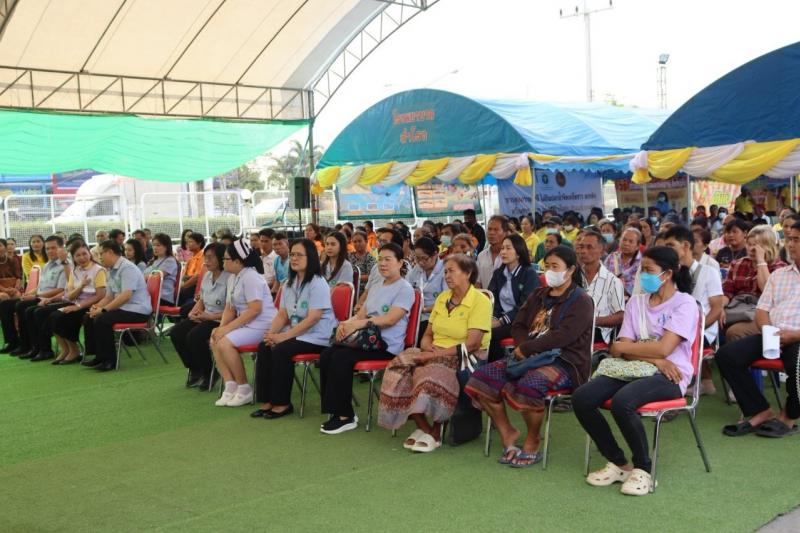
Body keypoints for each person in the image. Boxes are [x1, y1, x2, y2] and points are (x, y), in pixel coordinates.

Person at [572, 246, 699, 496]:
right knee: (582, 398)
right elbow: (619, 348)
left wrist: (648, 355)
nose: (643, 276)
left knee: (623, 402)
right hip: (636, 369)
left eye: (649, 270)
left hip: (671, 375)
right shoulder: (636, 302)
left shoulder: (685, 303)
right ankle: (619, 463)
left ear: (667, 274)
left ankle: (643, 469)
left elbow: (664, 348)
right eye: (642, 270)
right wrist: (656, 360)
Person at [466, 246, 593, 467]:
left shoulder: (581, 300)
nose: (550, 272)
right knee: (481, 378)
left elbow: (564, 336)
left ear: (571, 270)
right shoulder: (538, 295)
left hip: (563, 360)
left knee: (529, 384)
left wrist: (528, 348)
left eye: (555, 267)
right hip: (527, 355)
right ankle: (507, 432)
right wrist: (524, 347)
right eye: (547, 266)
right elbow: (519, 324)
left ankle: (533, 439)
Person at [379, 253, 491, 450]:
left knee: (433, 373)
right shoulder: (442, 298)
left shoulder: (480, 301)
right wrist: (426, 345)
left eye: (451, 271)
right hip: (435, 350)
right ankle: (425, 428)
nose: (447, 276)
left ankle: (436, 431)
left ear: (468, 273)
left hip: (465, 355)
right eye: (445, 272)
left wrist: (433, 355)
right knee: (397, 368)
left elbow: (472, 344)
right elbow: (428, 334)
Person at [319, 243, 415, 434]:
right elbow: (361, 314)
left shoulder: (404, 289)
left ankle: (345, 416)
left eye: (388, 259)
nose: (383, 264)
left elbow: (390, 319)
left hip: (385, 345)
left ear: (400, 263)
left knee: (341, 358)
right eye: (380, 259)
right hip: (366, 341)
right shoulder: (377, 286)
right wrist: (345, 324)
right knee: (327, 355)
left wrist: (358, 324)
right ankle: (337, 411)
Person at [716, 220, 800, 438]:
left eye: (797, 240)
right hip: (773, 334)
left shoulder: (775, 268)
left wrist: (794, 335)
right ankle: (760, 410)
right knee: (726, 356)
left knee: (797, 365)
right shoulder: (780, 275)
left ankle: (788, 417)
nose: (791, 244)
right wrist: (770, 333)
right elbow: (762, 310)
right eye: (789, 239)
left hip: (797, 337)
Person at [252, 239, 338, 419]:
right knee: (264, 346)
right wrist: (271, 334)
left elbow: (314, 318)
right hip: (298, 334)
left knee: (281, 350)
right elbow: (282, 314)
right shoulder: (288, 283)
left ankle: (282, 403)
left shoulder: (318, 282)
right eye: (292, 254)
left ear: (311, 257)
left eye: (299, 255)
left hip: (318, 336)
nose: (294, 258)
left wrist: (284, 337)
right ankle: (267, 401)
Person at [211, 238, 277, 407]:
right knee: (214, 338)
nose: (223, 261)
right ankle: (230, 385)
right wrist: (221, 329)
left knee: (225, 343)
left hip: (263, 325)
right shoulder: (233, 277)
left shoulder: (251, 277)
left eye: (226, 258)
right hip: (248, 324)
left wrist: (227, 329)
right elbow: (230, 308)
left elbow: (255, 309)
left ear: (237, 261)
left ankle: (244, 388)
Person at [663, 225, 724, 395]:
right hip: (674, 328)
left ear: (685, 246)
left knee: (670, 344)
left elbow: (717, 309)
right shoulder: (669, 274)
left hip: (702, 331)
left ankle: (673, 388)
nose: (667, 250)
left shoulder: (709, 272)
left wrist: (697, 329)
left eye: (671, 245)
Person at [80, 241, 152, 371]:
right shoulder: (110, 270)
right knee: (89, 317)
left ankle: (109, 361)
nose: (99, 257)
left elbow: (126, 295)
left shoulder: (128, 268)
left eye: (101, 254)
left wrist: (104, 310)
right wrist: (96, 307)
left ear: (110, 252)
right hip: (124, 308)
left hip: (138, 310)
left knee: (102, 319)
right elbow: (108, 297)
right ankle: (98, 356)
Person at [169, 242, 230, 389]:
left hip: (221, 320)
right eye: (205, 257)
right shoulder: (207, 276)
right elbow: (202, 300)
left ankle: (209, 372)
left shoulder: (230, 278)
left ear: (221, 258)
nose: (206, 261)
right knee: (176, 332)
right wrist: (193, 312)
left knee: (194, 336)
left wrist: (210, 317)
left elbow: (233, 310)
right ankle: (195, 369)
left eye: (210, 258)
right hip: (205, 316)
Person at [2, 235, 69, 357]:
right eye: (47, 248)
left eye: (53, 248)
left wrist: (36, 296)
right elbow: (40, 286)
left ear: (62, 248)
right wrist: (30, 293)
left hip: (52, 298)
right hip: (40, 295)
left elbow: (61, 289)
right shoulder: (48, 265)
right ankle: (14, 342)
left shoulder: (65, 266)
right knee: (6, 305)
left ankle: (36, 347)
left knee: (23, 306)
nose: (50, 251)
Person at [720, 225, 785, 343]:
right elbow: (727, 291)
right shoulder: (739, 263)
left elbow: (767, 291)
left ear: (768, 246)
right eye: (749, 244)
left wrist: (761, 261)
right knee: (711, 319)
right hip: (737, 309)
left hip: (763, 314)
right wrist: (720, 308)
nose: (751, 249)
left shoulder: (780, 268)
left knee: (734, 332)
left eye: (756, 245)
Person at [50, 241, 107, 364]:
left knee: (64, 317)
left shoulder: (98, 270)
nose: (82, 258)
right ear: (73, 258)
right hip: (76, 303)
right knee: (53, 315)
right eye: (78, 255)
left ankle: (74, 351)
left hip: (92, 304)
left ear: (89, 254)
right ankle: (66, 349)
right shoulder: (74, 271)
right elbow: (70, 296)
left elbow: (100, 295)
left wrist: (79, 306)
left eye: (84, 254)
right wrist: (81, 287)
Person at [487, 234, 539, 361]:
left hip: (522, 320)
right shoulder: (498, 273)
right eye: (502, 248)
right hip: (501, 318)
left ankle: (495, 366)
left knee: (491, 334)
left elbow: (526, 305)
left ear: (518, 253)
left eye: (508, 248)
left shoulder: (529, 274)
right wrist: (494, 318)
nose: (503, 252)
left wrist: (501, 321)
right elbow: (492, 299)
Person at [575, 230, 624, 344]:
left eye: (589, 247)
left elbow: (620, 316)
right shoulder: (573, 276)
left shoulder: (612, 281)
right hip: (572, 327)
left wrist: (591, 321)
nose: (583, 251)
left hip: (596, 331)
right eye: (581, 247)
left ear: (602, 251)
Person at [405, 237, 446, 343]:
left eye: (424, 258)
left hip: (435, 315)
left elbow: (447, 301)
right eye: (417, 259)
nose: (421, 262)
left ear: (435, 254)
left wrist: (423, 309)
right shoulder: (417, 269)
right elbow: (407, 289)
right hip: (416, 314)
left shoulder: (445, 270)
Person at [604, 227, 643, 297]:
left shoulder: (642, 263)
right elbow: (602, 278)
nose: (626, 243)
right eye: (624, 240)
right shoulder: (611, 257)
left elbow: (634, 288)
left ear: (637, 246)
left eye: (631, 241)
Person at [143, 233, 179, 306]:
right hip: (149, 295)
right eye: (153, 245)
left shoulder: (170, 261)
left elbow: (155, 277)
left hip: (162, 297)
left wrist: (139, 278)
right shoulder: (153, 261)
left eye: (158, 245)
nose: (155, 248)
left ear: (166, 247)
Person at [476, 215, 510, 289]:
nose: (491, 233)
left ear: (505, 233)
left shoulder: (511, 256)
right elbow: (478, 282)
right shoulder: (481, 256)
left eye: (496, 230)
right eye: (489, 229)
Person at [178, 232, 206, 305]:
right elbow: (185, 276)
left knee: (177, 294)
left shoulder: (203, 256)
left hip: (195, 287)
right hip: (188, 284)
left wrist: (181, 287)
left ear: (199, 244)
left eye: (190, 242)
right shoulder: (191, 258)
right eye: (187, 242)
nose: (188, 244)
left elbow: (197, 277)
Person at [348, 230, 375, 297]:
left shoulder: (370, 258)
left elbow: (371, 276)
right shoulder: (348, 256)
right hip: (349, 288)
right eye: (355, 242)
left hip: (364, 291)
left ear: (366, 241)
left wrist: (355, 277)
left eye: (360, 241)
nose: (357, 244)